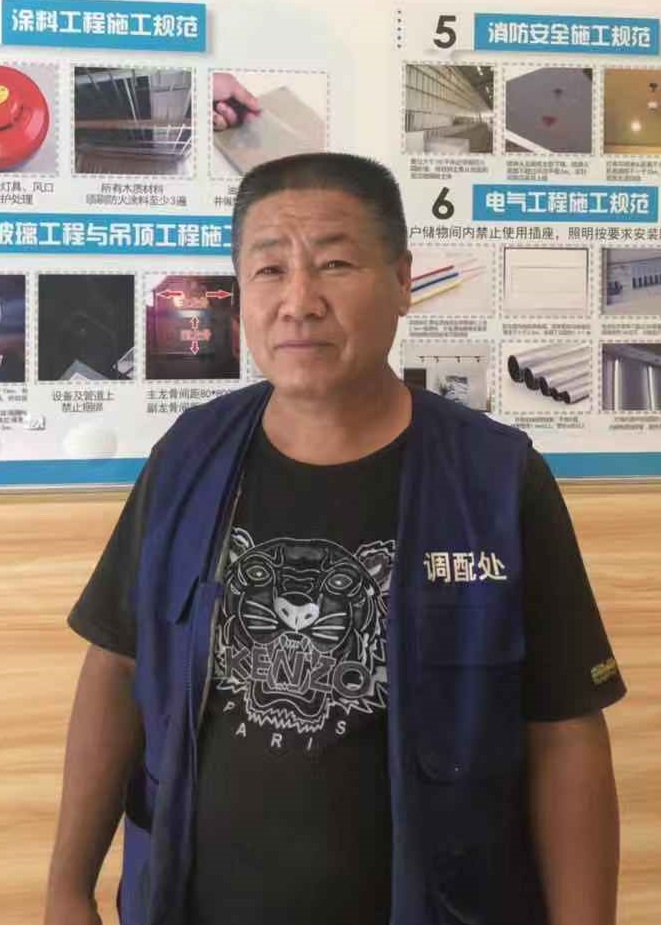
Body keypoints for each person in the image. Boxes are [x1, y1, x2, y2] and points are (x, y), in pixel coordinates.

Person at [44, 152, 626, 925]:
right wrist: (65, 889)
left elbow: (564, 732)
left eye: (335, 264)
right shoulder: (188, 456)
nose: (299, 302)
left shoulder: (495, 478)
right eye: (269, 269)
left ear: (402, 280)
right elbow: (116, 664)